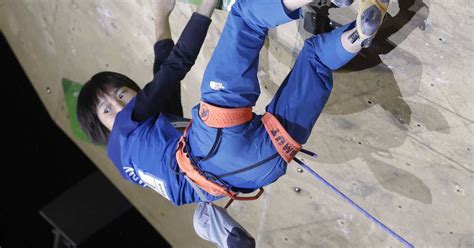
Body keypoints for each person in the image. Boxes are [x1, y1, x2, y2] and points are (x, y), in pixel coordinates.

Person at [77, 0, 389, 206]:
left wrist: (162, 17)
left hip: (258, 169)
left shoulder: (133, 156)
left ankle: (358, 33)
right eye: (107, 109)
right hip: (211, 142)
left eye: (120, 94)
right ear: (103, 129)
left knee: (317, 60)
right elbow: (177, 65)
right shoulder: (125, 128)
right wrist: (207, 5)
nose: (118, 106)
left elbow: (164, 77)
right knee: (246, 17)